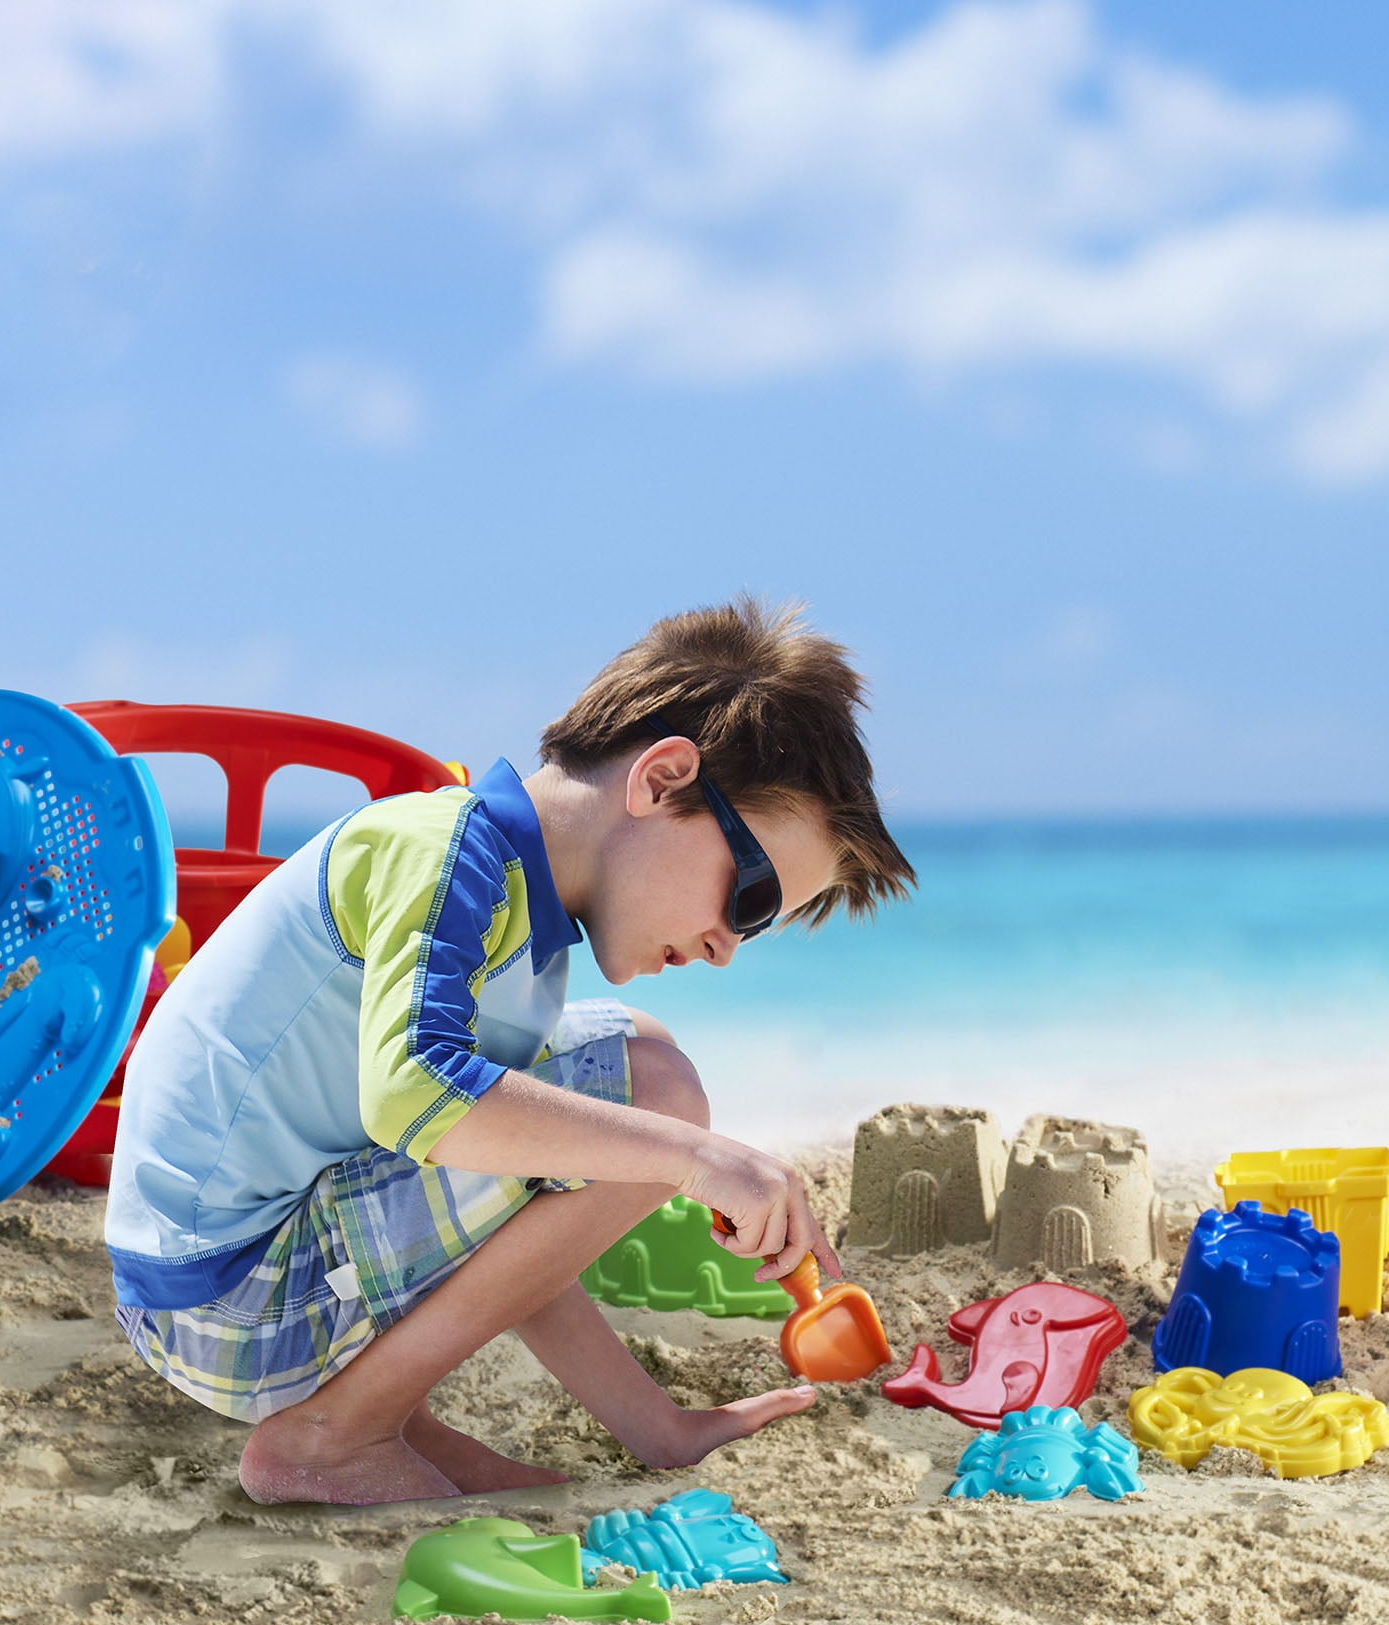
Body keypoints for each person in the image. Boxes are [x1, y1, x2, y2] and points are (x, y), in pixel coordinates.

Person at [105, 598, 915, 1506]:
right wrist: (695, 1157)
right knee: (656, 1096)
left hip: (252, 1277)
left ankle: (382, 1413)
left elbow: (512, 1205)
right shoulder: (444, 853)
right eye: (752, 898)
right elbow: (413, 1096)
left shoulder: (519, 924)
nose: (729, 945)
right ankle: (335, 1434)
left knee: (633, 1064)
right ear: (662, 778)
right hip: (225, 1302)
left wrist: (656, 1425)